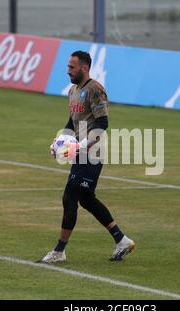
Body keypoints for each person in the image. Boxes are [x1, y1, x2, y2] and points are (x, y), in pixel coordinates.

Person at [38, 51, 135, 263]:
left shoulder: (95, 89)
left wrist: (82, 145)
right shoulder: (73, 91)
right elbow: (73, 122)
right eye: (68, 66)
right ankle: (121, 240)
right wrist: (60, 141)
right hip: (80, 153)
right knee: (86, 198)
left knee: (69, 196)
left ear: (84, 67)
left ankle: (59, 251)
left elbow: (102, 123)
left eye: (72, 67)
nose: (68, 71)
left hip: (92, 152)